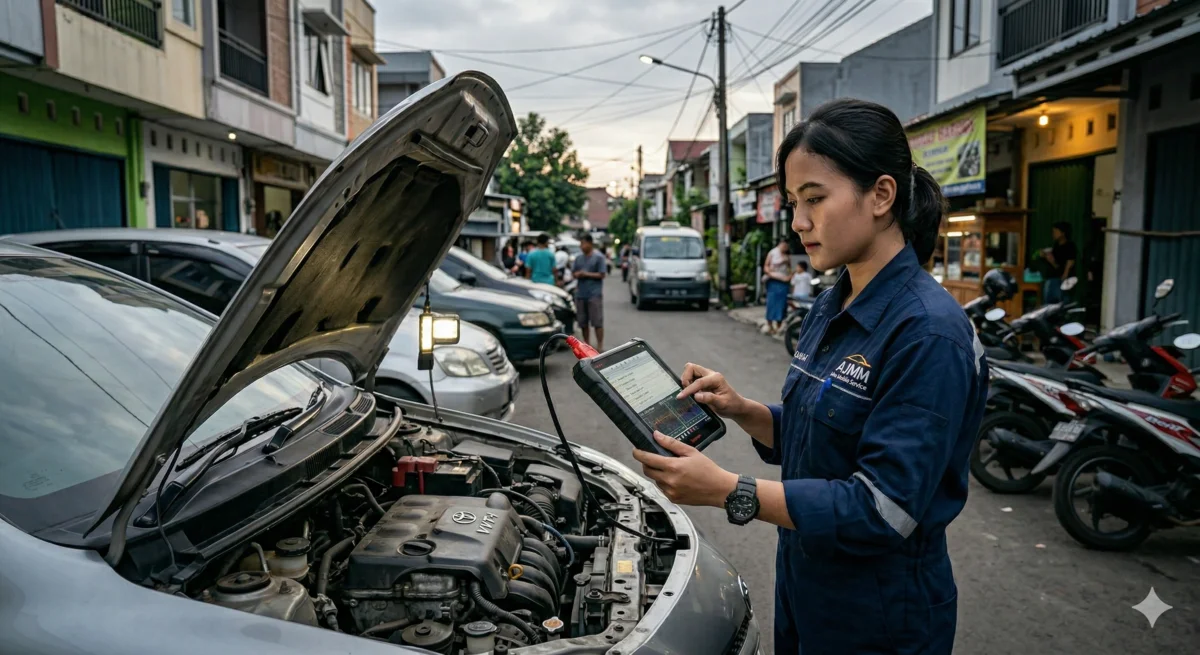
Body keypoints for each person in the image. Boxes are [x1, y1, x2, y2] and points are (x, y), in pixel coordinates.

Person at [630, 99, 988, 655]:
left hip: (879, 616)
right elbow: (820, 434)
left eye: (815, 199)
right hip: (805, 584)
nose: (798, 222)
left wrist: (730, 491)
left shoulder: (928, 333)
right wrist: (742, 408)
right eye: (794, 203)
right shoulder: (831, 303)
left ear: (882, 195)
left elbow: (883, 509)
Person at [572, 234, 607, 350]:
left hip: (594, 294)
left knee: (597, 322)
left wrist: (586, 274)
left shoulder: (599, 257)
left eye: (583, 243)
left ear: (590, 243)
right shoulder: (578, 258)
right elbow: (574, 273)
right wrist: (578, 274)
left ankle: (600, 345)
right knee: (583, 322)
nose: (582, 246)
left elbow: (602, 274)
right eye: (581, 244)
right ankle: (587, 344)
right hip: (581, 294)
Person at [1042, 221, 1077, 304]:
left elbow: (1070, 261)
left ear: (1063, 233)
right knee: (1049, 303)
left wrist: (1065, 274)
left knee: (1060, 302)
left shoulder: (1070, 246)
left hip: (1061, 279)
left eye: (1056, 232)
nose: (1053, 234)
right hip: (1052, 276)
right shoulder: (1056, 245)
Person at [763, 237, 792, 334]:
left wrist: (789, 276)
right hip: (773, 280)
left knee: (782, 304)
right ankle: (770, 325)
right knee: (771, 303)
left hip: (783, 282)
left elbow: (789, 268)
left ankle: (779, 324)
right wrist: (770, 274)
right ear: (781, 244)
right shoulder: (772, 253)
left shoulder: (787, 254)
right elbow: (766, 267)